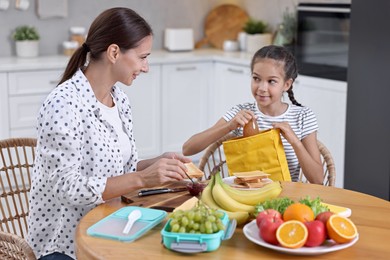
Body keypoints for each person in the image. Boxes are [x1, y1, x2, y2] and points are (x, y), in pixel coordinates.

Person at [27, 8, 191, 260]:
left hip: (111, 224)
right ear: (114, 52)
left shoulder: (119, 99)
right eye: (142, 57)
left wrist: (157, 164)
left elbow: (118, 167)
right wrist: (142, 179)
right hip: (66, 245)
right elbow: (68, 188)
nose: (146, 67)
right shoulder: (64, 104)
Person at [182, 45, 323, 184]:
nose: (262, 88)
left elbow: (318, 180)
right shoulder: (241, 113)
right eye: (256, 78)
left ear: (286, 84)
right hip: (244, 196)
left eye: (271, 81)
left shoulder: (303, 117)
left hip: (285, 200)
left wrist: (295, 141)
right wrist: (229, 127)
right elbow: (188, 149)